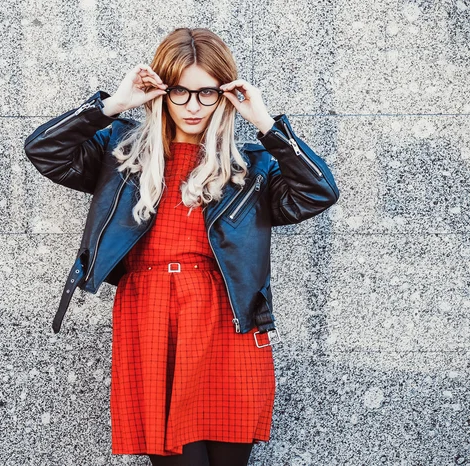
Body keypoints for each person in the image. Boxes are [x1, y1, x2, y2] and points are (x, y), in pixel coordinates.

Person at [24, 27, 339, 466]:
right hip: (150, 317)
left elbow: (319, 191)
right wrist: (114, 105)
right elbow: (44, 149)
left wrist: (266, 124)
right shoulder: (121, 152)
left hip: (227, 320)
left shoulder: (251, 167)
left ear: (225, 95)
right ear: (161, 92)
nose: (193, 106)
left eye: (206, 93)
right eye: (180, 92)